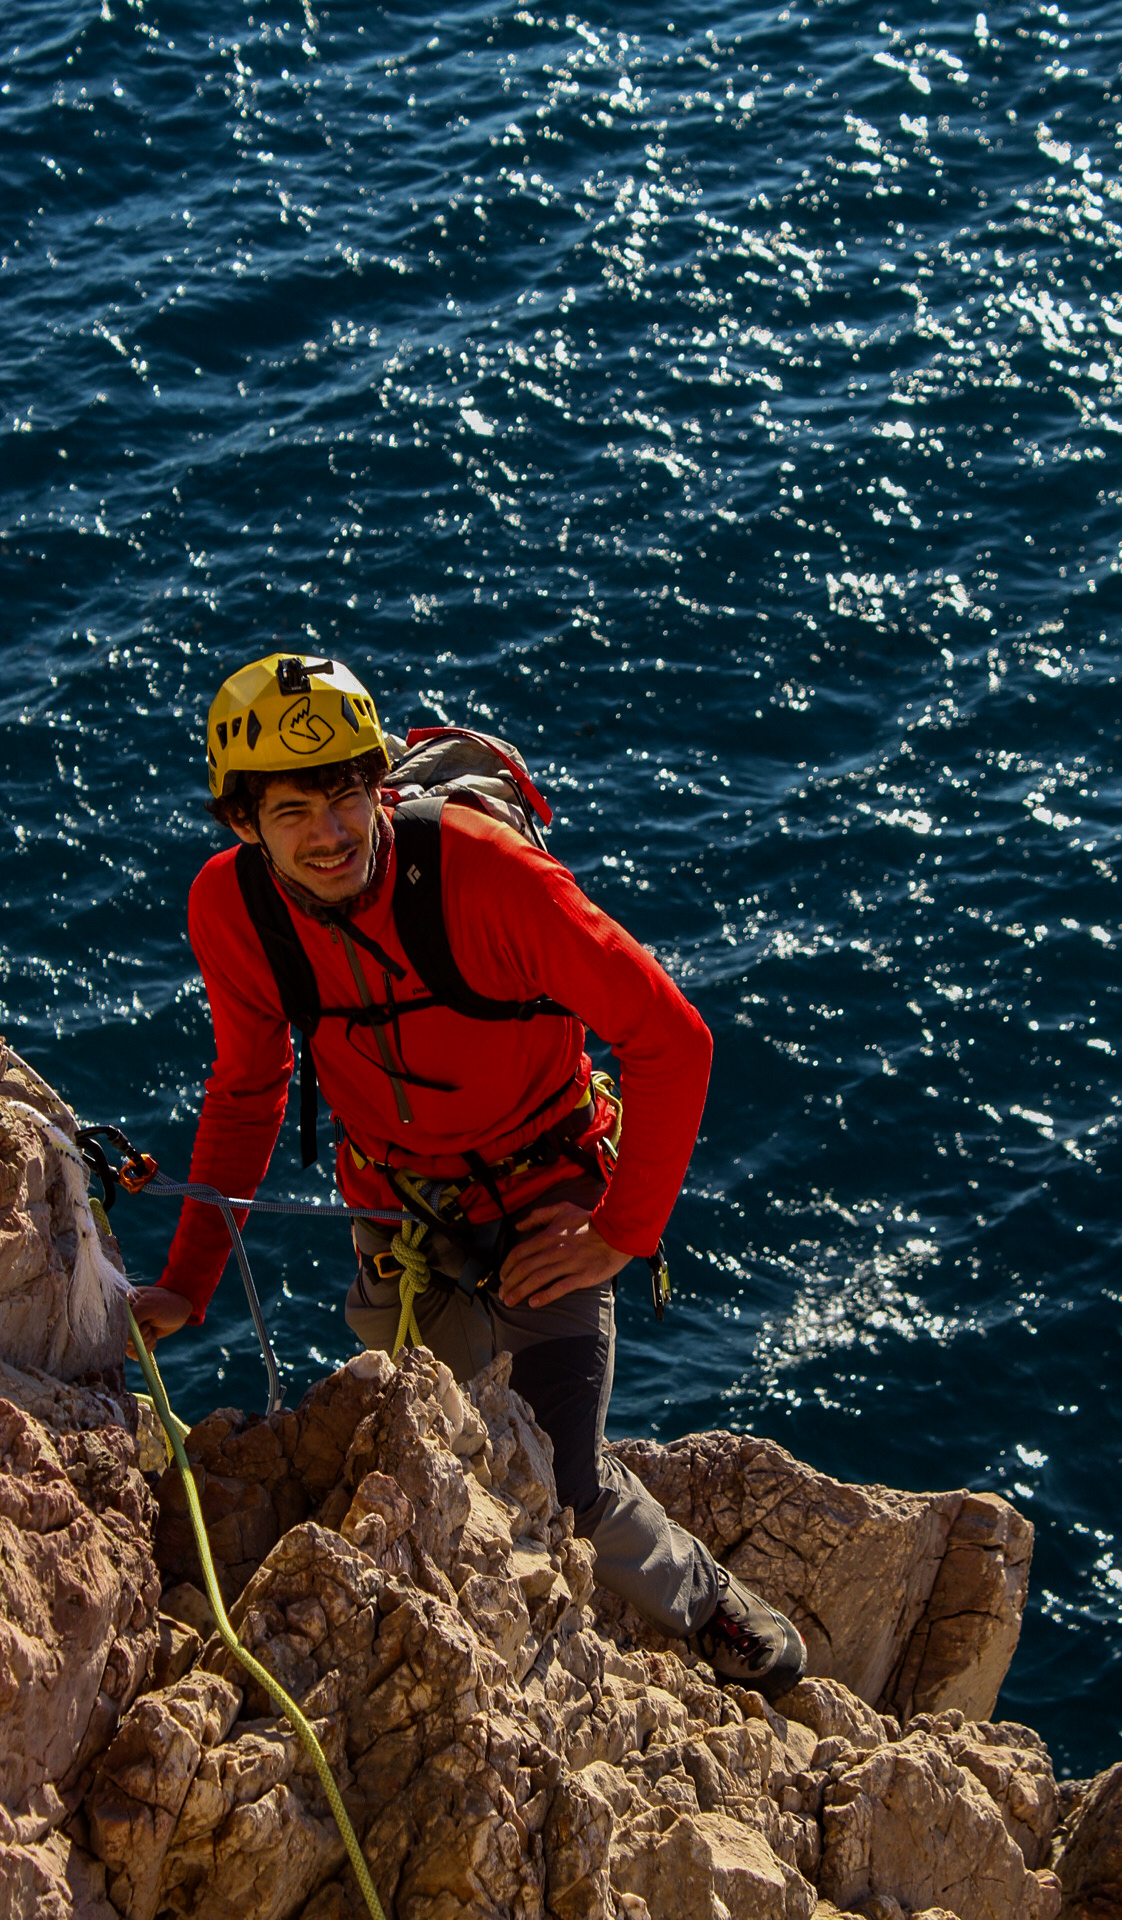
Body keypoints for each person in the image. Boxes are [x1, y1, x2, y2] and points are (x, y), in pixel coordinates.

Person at [131, 652, 806, 1699]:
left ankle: (702, 1601)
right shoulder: (235, 911)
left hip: (550, 1194)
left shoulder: (488, 879)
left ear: (380, 782)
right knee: (438, 1452)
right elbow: (246, 1088)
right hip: (399, 1210)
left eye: (350, 793)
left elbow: (673, 1039)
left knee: (563, 1476)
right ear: (241, 824)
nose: (332, 831)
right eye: (296, 808)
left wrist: (622, 1231)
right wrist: (186, 1287)